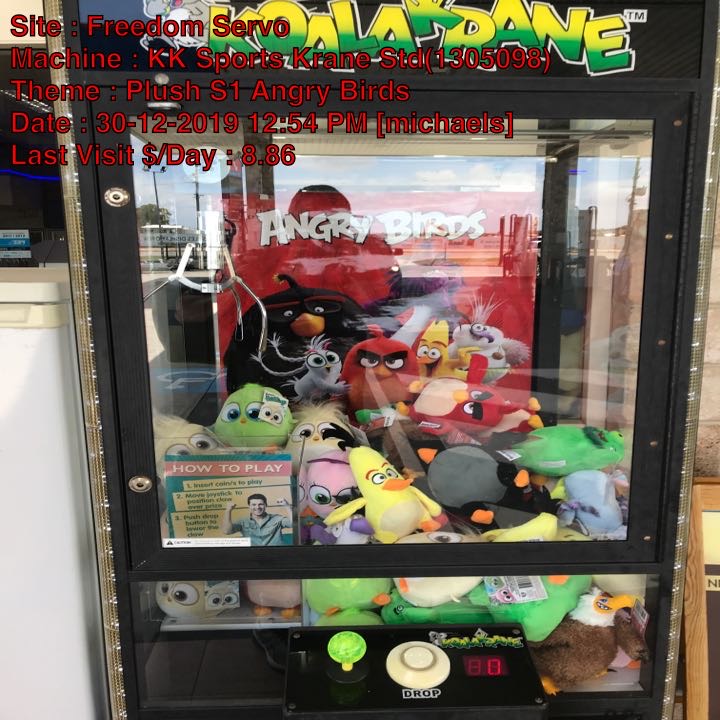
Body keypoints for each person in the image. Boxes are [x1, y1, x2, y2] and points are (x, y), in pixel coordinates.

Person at [221, 494, 292, 546]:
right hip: (253, 557)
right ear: (249, 506)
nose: (257, 507)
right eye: (254, 504)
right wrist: (228, 510)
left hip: (276, 556)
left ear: (266, 505)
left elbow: (292, 524)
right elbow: (227, 531)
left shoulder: (277, 518)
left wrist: (287, 506)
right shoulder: (243, 521)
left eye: (261, 504)